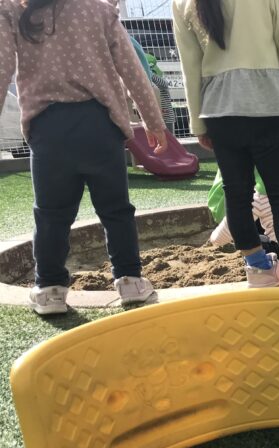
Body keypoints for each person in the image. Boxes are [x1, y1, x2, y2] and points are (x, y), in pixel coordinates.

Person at [0, 0, 168, 315]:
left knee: (51, 214)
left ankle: (49, 289)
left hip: (48, 128)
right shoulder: (100, 10)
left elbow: (2, 68)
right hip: (101, 124)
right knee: (116, 210)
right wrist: (153, 121)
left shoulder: (14, 12)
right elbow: (131, 68)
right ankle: (130, 280)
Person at [172, 0, 279, 295]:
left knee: (237, 195)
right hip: (267, 103)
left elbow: (190, 66)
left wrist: (198, 123)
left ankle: (259, 268)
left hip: (218, 110)